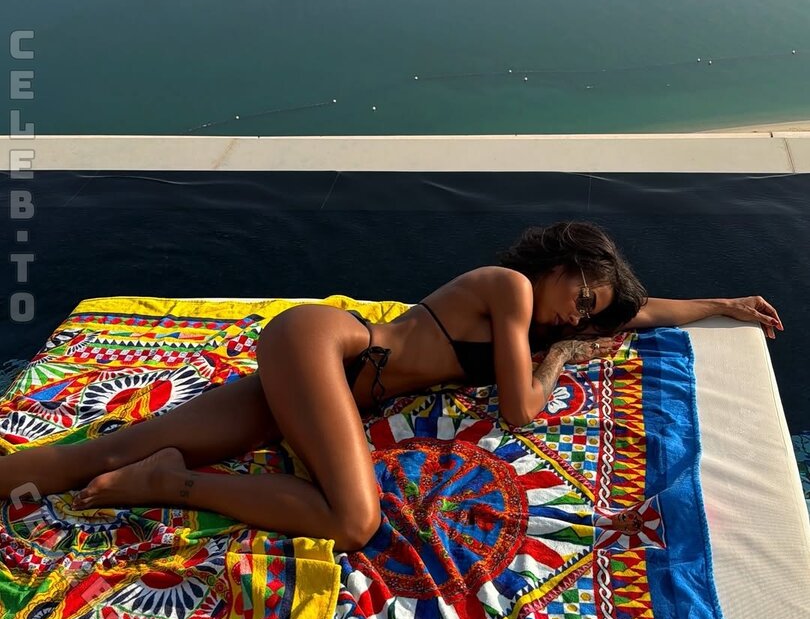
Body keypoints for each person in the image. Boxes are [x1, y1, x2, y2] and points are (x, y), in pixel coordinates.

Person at [0, 221, 782, 552]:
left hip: (320, 385)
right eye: (581, 299)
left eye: (588, 316)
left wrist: (723, 304)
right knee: (353, 519)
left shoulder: (542, 314)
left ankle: (138, 471)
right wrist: (559, 358)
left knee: (103, 452)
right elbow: (521, 411)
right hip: (324, 345)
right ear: (562, 264)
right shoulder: (511, 289)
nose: (579, 318)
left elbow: (640, 311)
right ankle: (172, 484)